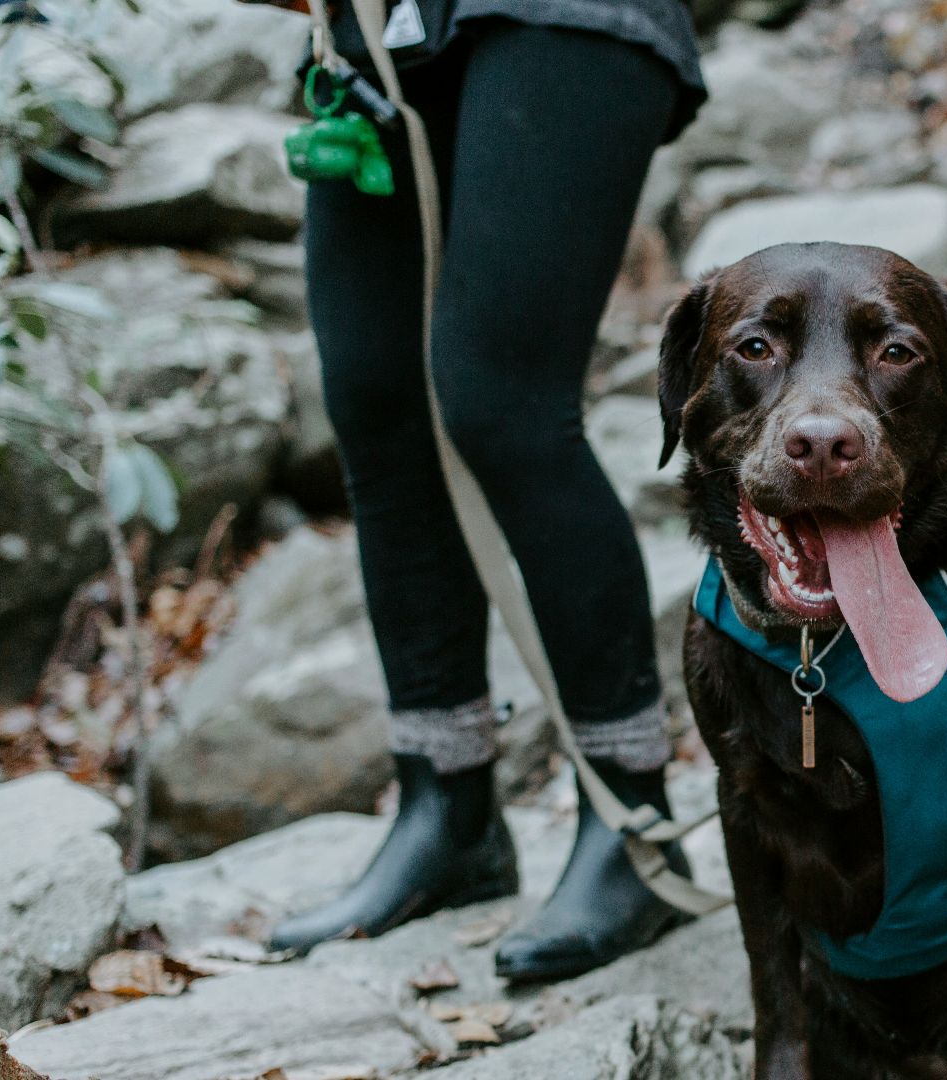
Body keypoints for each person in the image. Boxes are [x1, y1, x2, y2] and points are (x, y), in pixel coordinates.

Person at [239, 0, 707, 983]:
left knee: (501, 402)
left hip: (561, 13)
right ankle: (446, 808)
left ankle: (631, 826)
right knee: (376, 403)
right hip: (373, 21)